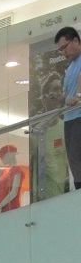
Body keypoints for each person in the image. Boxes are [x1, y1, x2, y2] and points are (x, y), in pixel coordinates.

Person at [55, 26, 81, 191]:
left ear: (76, 41)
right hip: (70, 117)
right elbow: (68, 95)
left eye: (64, 47)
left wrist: (78, 96)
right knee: (73, 158)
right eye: (60, 50)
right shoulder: (70, 67)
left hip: (79, 116)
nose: (63, 52)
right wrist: (61, 98)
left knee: (76, 155)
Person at [0, 144, 28, 214]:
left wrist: (0, 206)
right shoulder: (5, 171)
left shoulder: (17, 170)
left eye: (2, 156)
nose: (1, 159)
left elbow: (14, 192)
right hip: (0, 209)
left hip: (11, 209)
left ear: (10, 155)